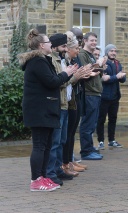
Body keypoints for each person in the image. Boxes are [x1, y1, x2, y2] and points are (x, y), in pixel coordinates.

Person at [19, 29, 76, 191]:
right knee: (39, 145)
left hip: (46, 109)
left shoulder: (43, 60)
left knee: (47, 145)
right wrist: (66, 74)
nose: (51, 44)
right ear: (41, 45)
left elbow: (51, 81)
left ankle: (43, 177)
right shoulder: (37, 61)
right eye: (48, 42)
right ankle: (36, 180)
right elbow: (52, 82)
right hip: (39, 110)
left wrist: (66, 74)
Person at [46, 33, 80, 186]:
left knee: (62, 140)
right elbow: (58, 82)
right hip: (58, 104)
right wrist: (74, 76)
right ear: (55, 46)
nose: (66, 49)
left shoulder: (60, 59)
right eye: (64, 46)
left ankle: (58, 168)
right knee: (55, 141)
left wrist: (75, 75)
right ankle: (51, 171)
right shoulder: (53, 60)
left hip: (65, 104)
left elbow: (65, 81)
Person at [63, 31, 91, 173]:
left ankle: (70, 161)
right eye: (76, 47)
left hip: (76, 96)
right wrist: (78, 75)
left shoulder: (74, 59)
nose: (78, 50)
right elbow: (65, 81)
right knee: (66, 134)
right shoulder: (63, 61)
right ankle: (65, 163)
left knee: (72, 131)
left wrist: (84, 72)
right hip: (68, 100)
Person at [78, 32, 106, 160]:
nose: (94, 43)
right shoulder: (82, 55)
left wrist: (100, 66)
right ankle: (86, 151)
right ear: (85, 41)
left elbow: (96, 72)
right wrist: (99, 64)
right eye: (92, 40)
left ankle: (89, 147)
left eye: (95, 40)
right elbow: (85, 72)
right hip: (89, 93)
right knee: (87, 123)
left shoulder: (90, 55)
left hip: (96, 92)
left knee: (92, 123)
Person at [96, 44, 126, 150]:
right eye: (111, 51)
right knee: (101, 119)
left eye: (115, 51)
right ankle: (100, 141)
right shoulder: (104, 63)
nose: (113, 53)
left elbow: (123, 79)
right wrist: (116, 77)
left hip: (115, 96)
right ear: (107, 52)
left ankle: (111, 140)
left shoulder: (118, 63)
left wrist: (120, 77)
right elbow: (104, 79)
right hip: (104, 96)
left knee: (113, 119)